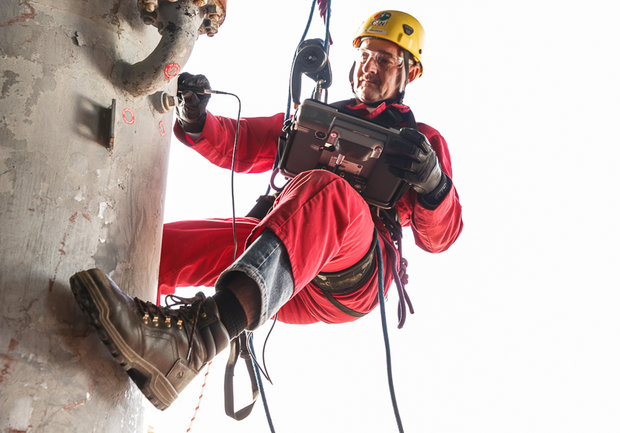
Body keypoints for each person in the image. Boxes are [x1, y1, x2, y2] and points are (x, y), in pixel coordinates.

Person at [69, 10, 463, 411]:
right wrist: (196, 119)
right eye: (365, 55)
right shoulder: (319, 121)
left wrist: (433, 184)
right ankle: (111, 355)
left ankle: (192, 343)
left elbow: (441, 237)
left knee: (328, 191)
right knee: (156, 249)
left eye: (385, 60)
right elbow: (242, 141)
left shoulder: (420, 142)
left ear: (410, 73)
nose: (369, 68)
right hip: (281, 262)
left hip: (353, 273)